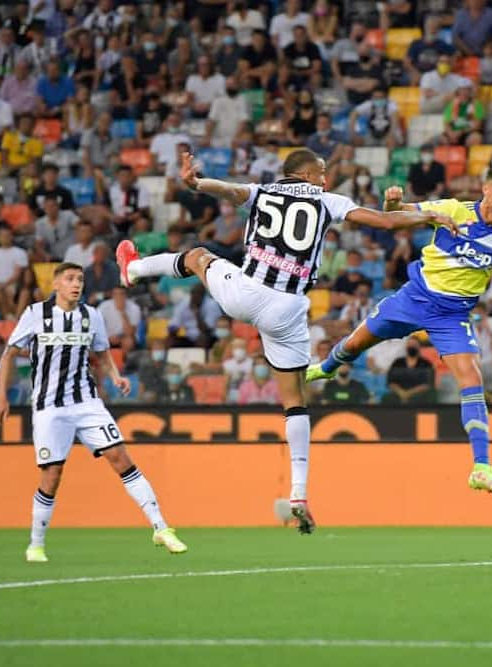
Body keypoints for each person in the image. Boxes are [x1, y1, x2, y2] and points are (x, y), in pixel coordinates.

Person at [118, 149, 454, 533]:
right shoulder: (328, 201)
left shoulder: (262, 192)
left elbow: (227, 191)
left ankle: (135, 269)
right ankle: (298, 493)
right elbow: (384, 221)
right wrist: (428, 215)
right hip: (288, 309)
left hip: (245, 293)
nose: (325, 179)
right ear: (306, 174)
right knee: (295, 401)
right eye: (322, 172)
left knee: (197, 256)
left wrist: (196, 183)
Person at [308, 164, 492, 498]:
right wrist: (393, 201)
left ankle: (481, 468)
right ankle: (325, 369)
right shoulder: (452, 209)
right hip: (414, 298)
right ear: (485, 188)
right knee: (355, 344)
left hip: (453, 315)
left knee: (471, 379)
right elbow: (395, 216)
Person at [0, 263, 187, 563]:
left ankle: (161, 527)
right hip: (49, 407)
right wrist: (0, 398)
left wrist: (116, 375)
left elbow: (102, 351)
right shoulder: (35, 314)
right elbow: (9, 355)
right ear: (55, 285)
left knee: (120, 457)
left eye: (80, 279)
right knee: (52, 475)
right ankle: (36, 544)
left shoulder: (91, 316)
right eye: (69, 279)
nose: (76, 284)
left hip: (87, 403)